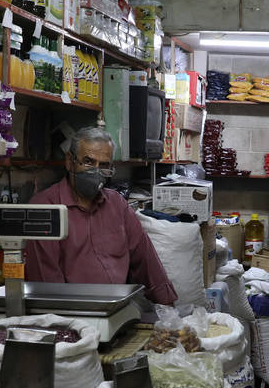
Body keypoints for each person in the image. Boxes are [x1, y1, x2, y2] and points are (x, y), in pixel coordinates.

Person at [25, 126, 178, 305]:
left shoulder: (117, 204)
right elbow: (47, 284)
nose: (95, 171)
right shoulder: (45, 208)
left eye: (104, 165)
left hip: (119, 308)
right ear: (69, 161)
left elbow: (146, 259)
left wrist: (167, 308)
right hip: (73, 314)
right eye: (88, 162)